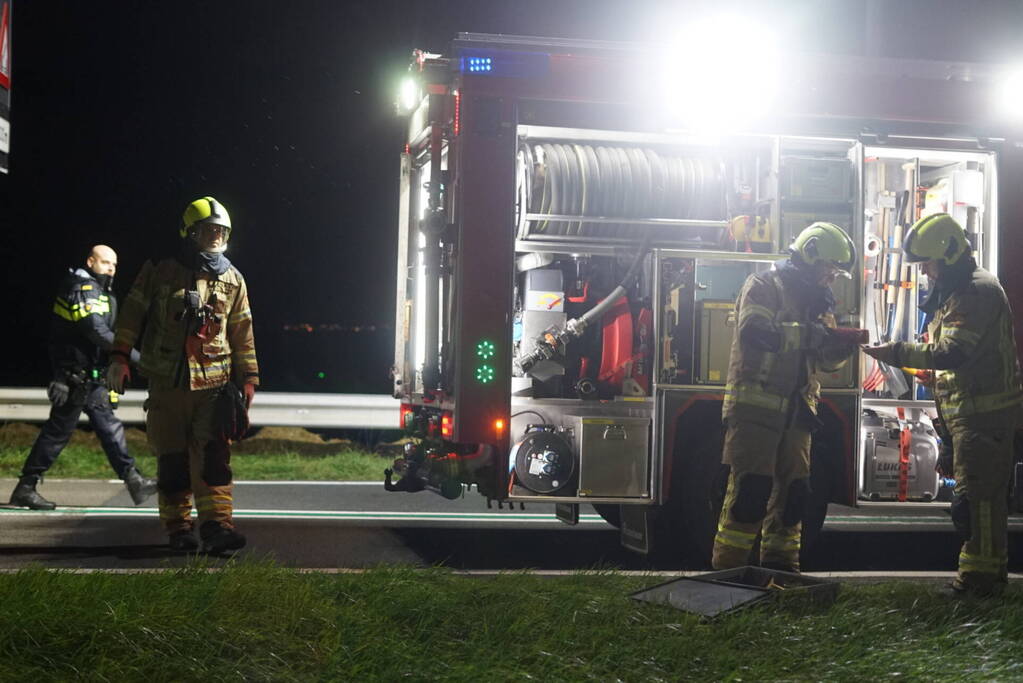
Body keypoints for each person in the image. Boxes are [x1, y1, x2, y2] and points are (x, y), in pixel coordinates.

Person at [863, 212, 1022, 597]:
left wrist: (895, 352)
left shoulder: (977, 291)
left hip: (984, 420)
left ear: (948, 255)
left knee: (978, 507)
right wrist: (932, 378)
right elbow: (961, 361)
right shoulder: (957, 291)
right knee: (973, 504)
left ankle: (980, 587)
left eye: (929, 264)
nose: (927, 273)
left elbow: (952, 351)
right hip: (967, 418)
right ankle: (980, 583)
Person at [107, 196, 259, 554]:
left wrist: (249, 378)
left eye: (221, 231)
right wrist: (119, 357)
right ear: (190, 233)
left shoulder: (234, 280)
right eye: (209, 230)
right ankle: (179, 530)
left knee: (214, 458)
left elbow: (243, 332)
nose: (216, 237)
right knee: (172, 459)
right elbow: (132, 313)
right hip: (166, 384)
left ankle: (217, 527)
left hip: (214, 387)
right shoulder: (161, 270)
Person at [712, 222, 863, 573]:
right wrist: (812, 335)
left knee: (795, 496)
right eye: (830, 268)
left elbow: (823, 360)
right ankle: (728, 576)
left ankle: (780, 572)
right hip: (756, 411)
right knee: (749, 494)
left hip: (798, 414)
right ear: (810, 255)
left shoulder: (819, 302)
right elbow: (756, 332)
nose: (832, 277)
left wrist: (840, 347)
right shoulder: (764, 286)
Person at [8, 246, 157, 510]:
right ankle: (26, 487)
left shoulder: (101, 291)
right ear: (91, 261)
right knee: (57, 434)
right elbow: (96, 332)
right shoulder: (82, 288)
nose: (111, 268)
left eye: (114, 264)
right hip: (74, 378)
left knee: (110, 428)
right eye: (105, 262)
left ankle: (134, 481)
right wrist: (138, 358)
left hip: (91, 378)